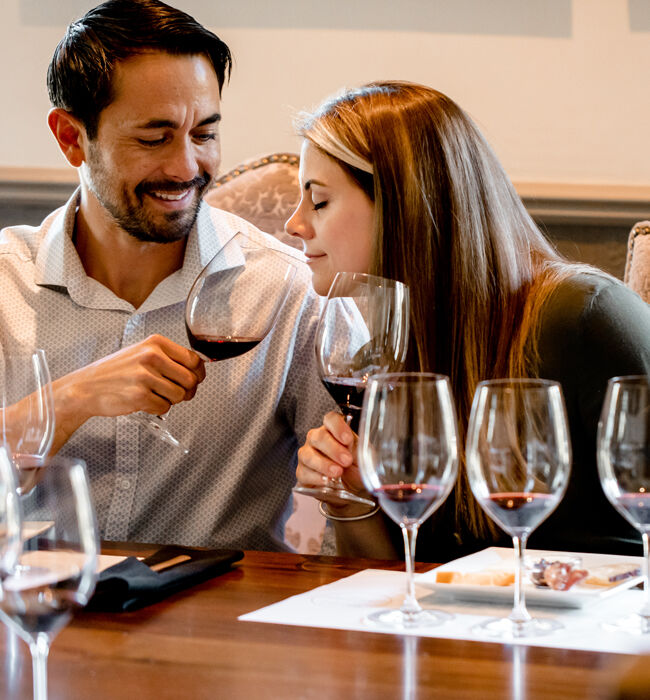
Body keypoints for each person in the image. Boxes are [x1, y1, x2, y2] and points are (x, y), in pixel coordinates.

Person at [0, 0, 334, 551]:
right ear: (70, 138)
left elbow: (352, 508)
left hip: (218, 625)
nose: (185, 168)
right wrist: (70, 398)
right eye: (153, 139)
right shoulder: (6, 282)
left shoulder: (286, 290)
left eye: (203, 133)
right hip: (40, 616)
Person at [286, 80, 650, 562]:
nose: (294, 223)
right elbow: (396, 578)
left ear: (403, 204)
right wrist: (349, 495)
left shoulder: (585, 318)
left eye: (319, 200)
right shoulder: (380, 357)